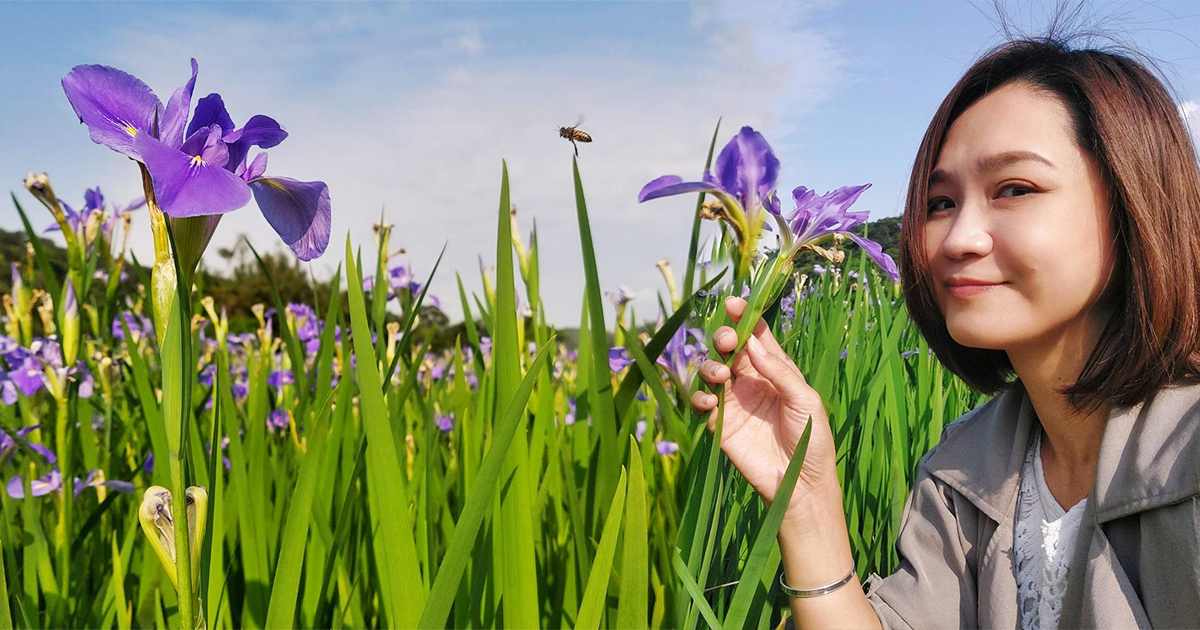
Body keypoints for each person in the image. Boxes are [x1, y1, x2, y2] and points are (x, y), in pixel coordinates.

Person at [691, 34, 1200, 630]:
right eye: (939, 202)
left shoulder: (1186, 450)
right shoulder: (963, 469)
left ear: (1135, 205)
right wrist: (804, 503)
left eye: (1014, 189)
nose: (958, 238)